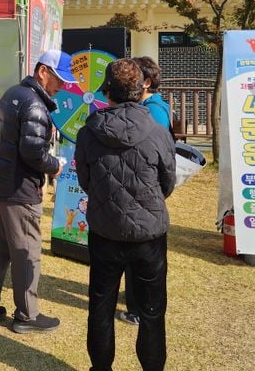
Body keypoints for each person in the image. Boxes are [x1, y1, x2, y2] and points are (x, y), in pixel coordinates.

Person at [75, 58, 176, 371]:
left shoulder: (88, 132)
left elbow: (86, 181)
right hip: (148, 234)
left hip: (105, 230)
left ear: (108, 91)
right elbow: (167, 183)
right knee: (151, 310)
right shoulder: (158, 132)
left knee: (101, 305)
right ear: (140, 88)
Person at [0, 49, 78, 333]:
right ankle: (27, 315)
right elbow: (32, 151)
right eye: (59, 79)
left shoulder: (14, 93)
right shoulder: (34, 104)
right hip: (18, 188)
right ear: (43, 71)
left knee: (2, 247)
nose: (62, 86)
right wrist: (54, 165)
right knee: (27, 251)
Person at [117, 56, 173, 326]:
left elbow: (162, 162)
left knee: (142, 259)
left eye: (135, 78)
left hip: (144, 198)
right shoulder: (150, 108)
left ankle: (138, 308)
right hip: (136, 198)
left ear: (146, 82)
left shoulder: (155, 112)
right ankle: (136, 301)